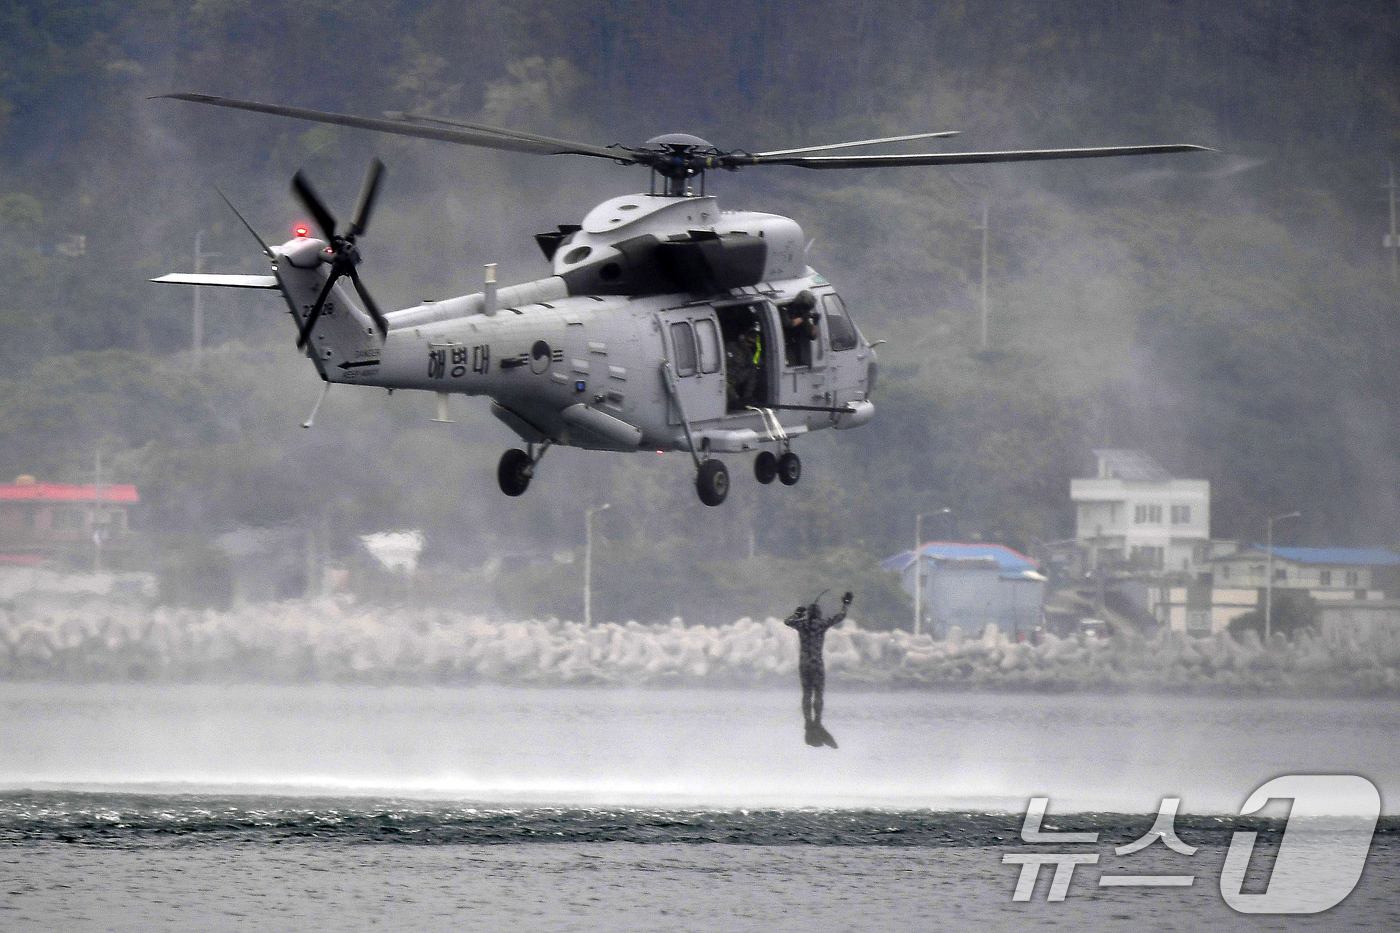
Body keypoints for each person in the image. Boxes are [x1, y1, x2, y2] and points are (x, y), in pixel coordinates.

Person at [784, 590, 853, 748]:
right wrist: (845, 605)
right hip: (817, 663)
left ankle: (808, 722)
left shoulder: (801, 624)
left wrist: (797, 614)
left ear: (808, 614)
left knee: (807, 694)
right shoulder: (822, 624)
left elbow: (787, 621)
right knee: (819, 693)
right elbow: (840, 616)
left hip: (804, 664)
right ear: (819, 613)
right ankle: (817, 722)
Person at [778, 290, 819, 367]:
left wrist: (815, 323)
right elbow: (789, 324)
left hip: (796, 348)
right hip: (784, 345)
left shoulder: (801, 316)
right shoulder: (785, 309)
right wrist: (803, 317)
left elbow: (812, 336)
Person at [725, 323, 762, 409]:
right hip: (726, 377)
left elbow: (754, 363)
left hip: (736, 377)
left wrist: (757, 350)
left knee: (753, 371)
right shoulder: (731, 347)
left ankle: (747, 398)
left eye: (752, 344)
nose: (749, 345)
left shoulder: (747, 352)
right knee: (730, 393)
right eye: (748, 342)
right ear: (742, 338)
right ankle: (737, 401)